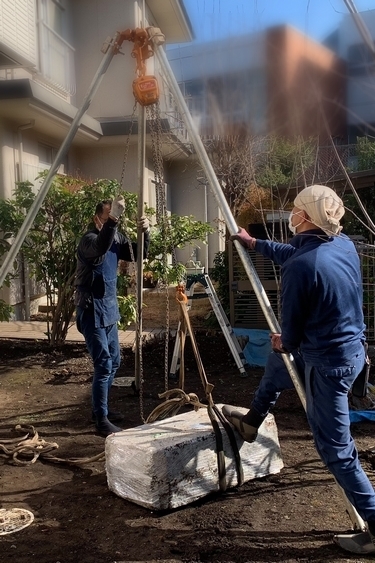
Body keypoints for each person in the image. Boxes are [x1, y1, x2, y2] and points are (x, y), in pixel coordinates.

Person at [222, 184, 375, 554]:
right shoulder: (341, 246)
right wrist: (255, 243)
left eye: (295, 209)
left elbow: (290, 334)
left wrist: (283, 342)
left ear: (305, 216)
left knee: (335, 449)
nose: (291, 214)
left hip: (328, 365)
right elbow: (295, 254)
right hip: (350, 350)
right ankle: (252, 419)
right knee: (279, 364)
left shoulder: (301, 270)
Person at [74, 196, 150, 437]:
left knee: (114, 361)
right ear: (98, 219)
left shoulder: (115, 236)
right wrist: (114, 220)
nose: (113, 222)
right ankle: (101, 419)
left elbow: (139, 254)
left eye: (115, 216)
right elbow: (100, 247)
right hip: (91, 309)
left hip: (108, 308)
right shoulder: (88, 241)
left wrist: (145, 232)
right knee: (104, 363)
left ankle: (100, 409)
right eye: (109, 216)